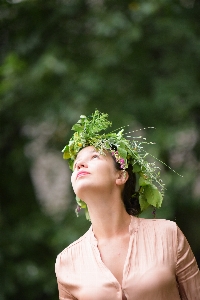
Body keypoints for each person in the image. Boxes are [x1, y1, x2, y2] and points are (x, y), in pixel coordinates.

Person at [55, 110, 200, 300]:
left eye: (94, 157)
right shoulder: (67, 262)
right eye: (76, 164)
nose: (80, 165)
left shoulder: (168, 234)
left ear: (121, 175)